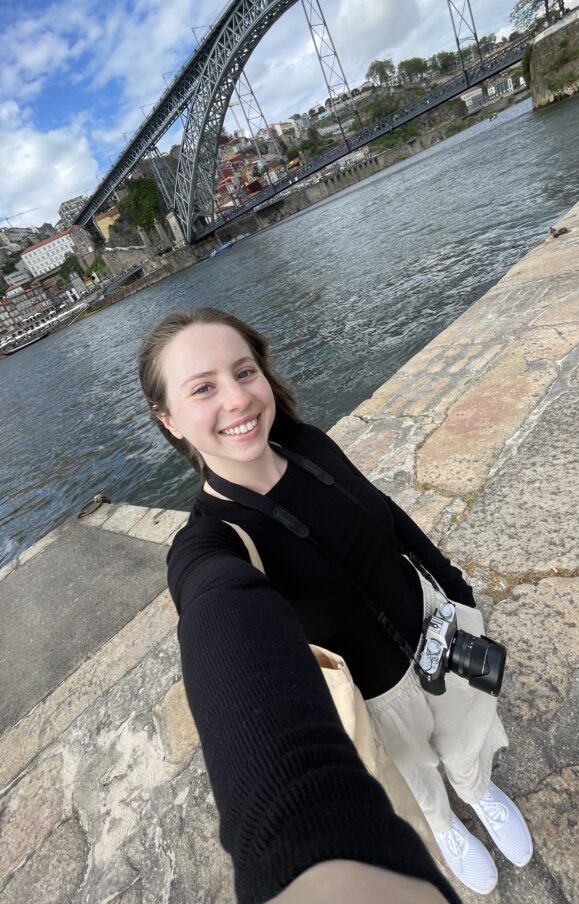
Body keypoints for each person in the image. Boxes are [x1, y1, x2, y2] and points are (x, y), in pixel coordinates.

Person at [138, 307, 533, 898]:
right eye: (203, 388)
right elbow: (214, 615)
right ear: (169, 420)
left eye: (244, 373)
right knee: (416, 777)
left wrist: (454, 587)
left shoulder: (307, 445)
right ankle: (445, 824)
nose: (238, 399)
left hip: (437, 632)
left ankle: (478, 791)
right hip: (375, 697)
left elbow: (387, 517)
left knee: (467, 735)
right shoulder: (209, 541)